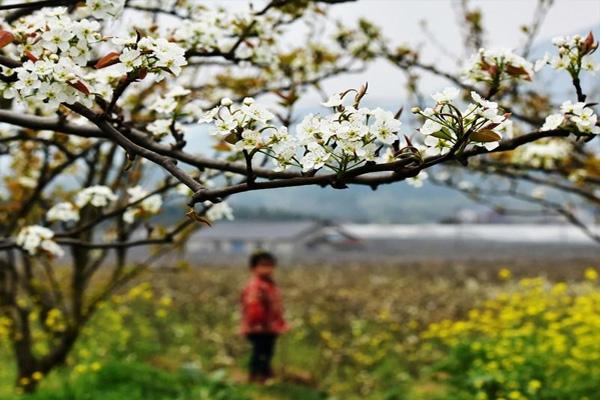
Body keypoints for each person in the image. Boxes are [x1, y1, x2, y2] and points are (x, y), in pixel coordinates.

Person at [240, 250, 288, 383]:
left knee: (267, 352)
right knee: (260, 352)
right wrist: (259, 322)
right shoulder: (255, 285)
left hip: (270, 327)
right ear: (253, 267)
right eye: (263, 265)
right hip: (258, 328)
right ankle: (256, 376)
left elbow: (275, 307)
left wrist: (281, 323)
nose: (267, 268)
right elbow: (253, 306)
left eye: (270, 265)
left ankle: (264, 374)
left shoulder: (270, 284)